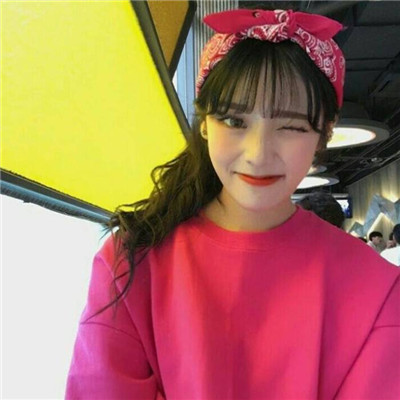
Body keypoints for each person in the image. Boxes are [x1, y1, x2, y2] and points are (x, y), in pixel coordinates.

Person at [66, 7, 400, 400]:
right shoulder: (132, 262)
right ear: (204, 123)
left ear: (324, 133)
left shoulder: (379, 290)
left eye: (291, 126)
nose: (258, 154)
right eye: (235, 121)